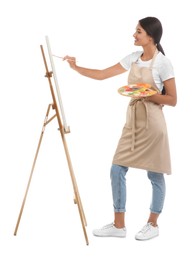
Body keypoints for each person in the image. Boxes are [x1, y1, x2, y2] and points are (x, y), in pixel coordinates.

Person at [63, 16, 177, 241]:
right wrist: (75, 67)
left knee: (154, 173)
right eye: (135, 31)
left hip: (153, 124)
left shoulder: (163, 62)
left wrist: (149, 94)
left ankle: (153, 224)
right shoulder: (134, 58)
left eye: (139, 31)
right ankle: (118, 225)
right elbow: (103, 74)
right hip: (132, 122)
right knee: (117, 169)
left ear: (151, 37)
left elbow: (173, 99)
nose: (134, 35)